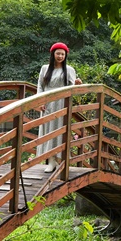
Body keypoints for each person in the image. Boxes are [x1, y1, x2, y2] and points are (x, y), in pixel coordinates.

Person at [37, 42, 82, 172]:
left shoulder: (69, 70)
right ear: (53, 54)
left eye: (63, 54)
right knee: (48, 131)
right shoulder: (45, 68)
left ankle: (59, 160)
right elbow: (40, 85)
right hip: (47, 103)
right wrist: (39, 101)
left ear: (65, 55)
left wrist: (77, 84)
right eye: (58, 53)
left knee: (60, 131)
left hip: (62, 103)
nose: (60, 56)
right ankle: (51, 161)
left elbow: (72, 87)